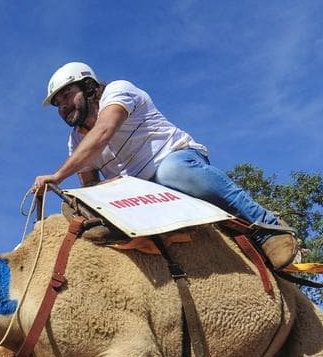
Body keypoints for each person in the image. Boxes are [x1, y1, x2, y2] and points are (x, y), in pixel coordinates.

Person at [31, 62, 298, 269]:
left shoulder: (118, 91)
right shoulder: (75, 139)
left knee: (172, 172)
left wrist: (57, 176)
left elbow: (102, 134)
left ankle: (267, 227)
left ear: (88, 87)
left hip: (175, 161)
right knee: (80, 208)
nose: (63, 106)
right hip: (142, 194)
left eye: (67, 95)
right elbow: (89, 185)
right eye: (58, 103)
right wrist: (92, 193)